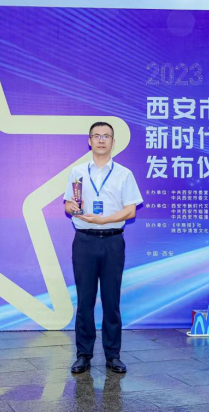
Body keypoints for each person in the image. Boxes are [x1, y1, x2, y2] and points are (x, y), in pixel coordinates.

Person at [63, 122, 143, 374]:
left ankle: (113, 356)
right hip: (84, 241)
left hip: (112, 241)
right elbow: (67, 204)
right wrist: (72, 208)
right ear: (89, 141)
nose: (101, 140)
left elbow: (130, 210)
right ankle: (83, 355)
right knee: (85, 301)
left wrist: (104, 220)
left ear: (112, 141)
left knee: (111, 300)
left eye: (106, 136)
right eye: (96, 136)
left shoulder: (124, 174)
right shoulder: (77, 172)